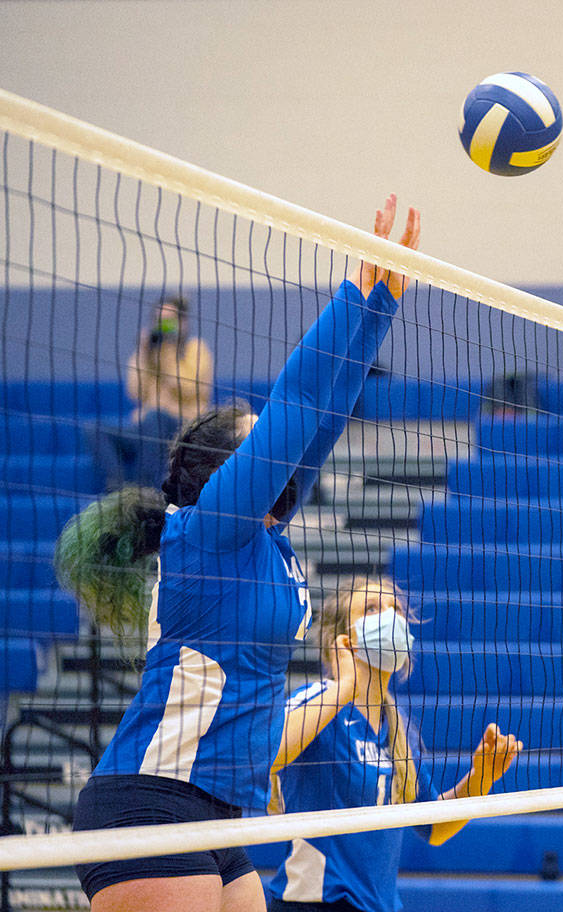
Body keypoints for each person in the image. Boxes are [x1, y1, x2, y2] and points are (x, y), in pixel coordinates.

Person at [60, 194, 421, 912]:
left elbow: (320, 416)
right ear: (228, 467)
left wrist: (384, 301)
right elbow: (294, 405)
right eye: (254, 440)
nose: (275, 448)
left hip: (223, 809)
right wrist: (353, 289)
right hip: (152, 799)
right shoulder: (206, 529)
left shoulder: (264, 537)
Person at [263, 576, 523, 912]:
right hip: (315, 902)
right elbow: (267, 753)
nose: (389, 617)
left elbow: (433, 827)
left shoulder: (397, 727)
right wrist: (344, 686)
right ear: (344, 638)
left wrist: (480, 779)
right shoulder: (320, 702)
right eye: (371, 608)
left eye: (395, 608)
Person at [93, 295, 214, 489]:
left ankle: (145, 489)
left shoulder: (196, 349)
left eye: (169, 320)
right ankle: (119, 488)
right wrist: (143, 353)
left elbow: (188, 388)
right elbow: (135, 392)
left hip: (185, 426)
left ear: (183, 323)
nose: (162, 325)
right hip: (149, 426)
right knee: (96, 429)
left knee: (155, 417)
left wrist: (167, 354)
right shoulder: (149, 351)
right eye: (159, 320)